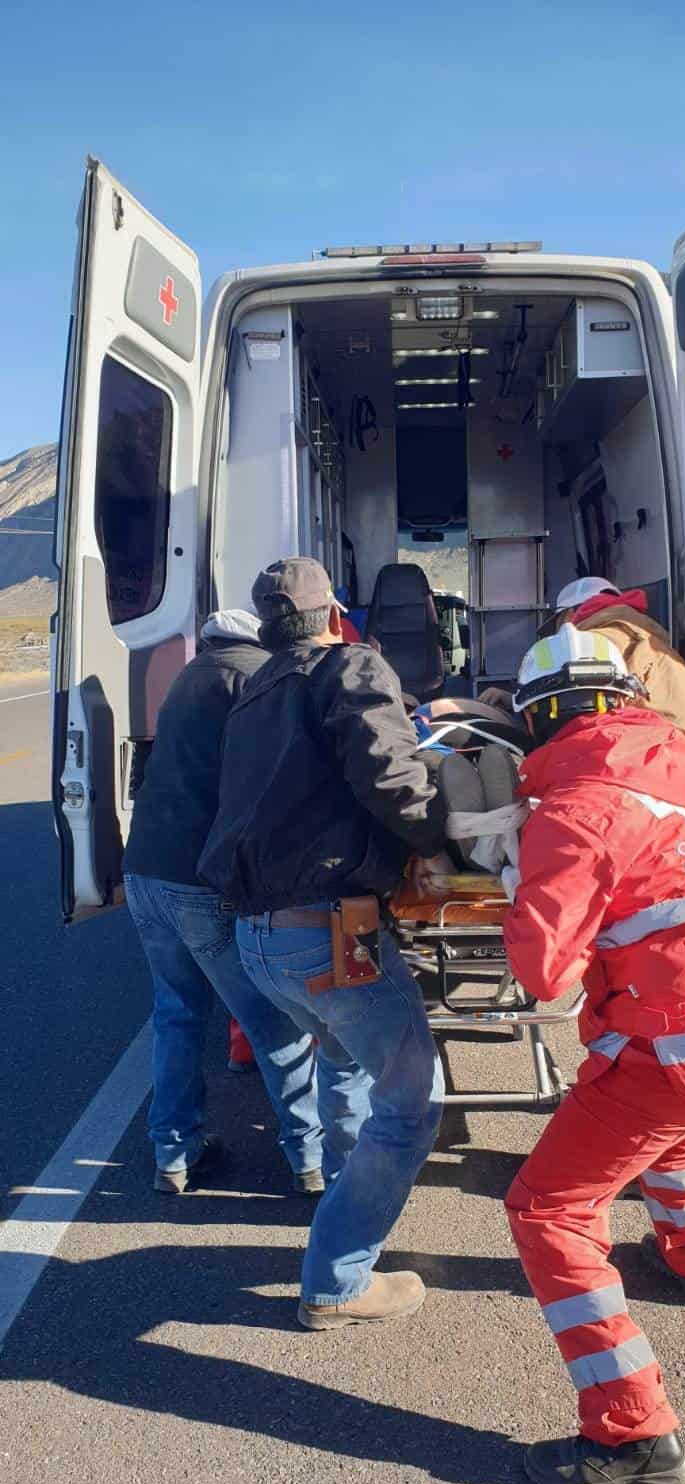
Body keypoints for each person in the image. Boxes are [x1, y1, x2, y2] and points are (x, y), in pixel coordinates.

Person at [498, 623, 685, 1484]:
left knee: (547, 1211)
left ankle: (634, 1437)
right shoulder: (675, 778)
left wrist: (521, 879)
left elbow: (541, 974)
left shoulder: (573, 812)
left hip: (680, 1046)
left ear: (539, 719)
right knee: (673, 1129)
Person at [199, 557, 451, 1330]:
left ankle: (350, 1192)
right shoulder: (351, 667)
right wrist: (446, 837)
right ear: (334, 615)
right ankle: (337, 1281)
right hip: (327, 935)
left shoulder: (253, 692)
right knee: (412, 1105)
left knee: (344, 1060)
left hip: (258, 940)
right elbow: (389, 776)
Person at [123, 608, 325, 1195]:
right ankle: (310, 1159)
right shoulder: (256, 677)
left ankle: (174, 1155)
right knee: (272, 1021)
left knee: (178, 1014)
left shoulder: (188, 678)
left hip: (146, 872)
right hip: (197, 882)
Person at [480, 576, 685, 824]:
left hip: (673, 793)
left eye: (558, 623)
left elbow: (573, 723)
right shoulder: (642, 640)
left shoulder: (596, 644)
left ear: (571, 615)